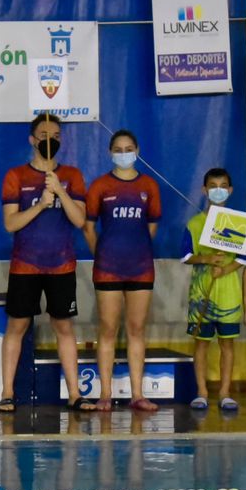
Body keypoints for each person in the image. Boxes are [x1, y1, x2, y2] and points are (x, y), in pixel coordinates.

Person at [0, 114, 86, 411]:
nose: (52, 138)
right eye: (45, 133)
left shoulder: (72, 175)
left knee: (64, 326)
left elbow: (79, 219)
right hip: (25, 265)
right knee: (18, 325)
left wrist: (60, 190)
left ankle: (74, 393)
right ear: (32, 140)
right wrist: (40, 205)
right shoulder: (16, 176)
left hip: (62, 265)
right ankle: (7, 393)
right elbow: (11, 224)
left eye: (57, 134)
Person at [83, 130, 161, 412]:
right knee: (107, 330)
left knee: (136, 329)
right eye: (118, 148)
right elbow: (89, 228)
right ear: (110, 153)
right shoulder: (100, 186)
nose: (124, 152)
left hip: (141, 267)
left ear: (137, 150)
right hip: (107, 269)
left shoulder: (149, 186)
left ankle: (138, 395)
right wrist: (102, 253)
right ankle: (104, 395)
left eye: (129, 148)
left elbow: (151, 226)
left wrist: (134, 248)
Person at [180, 168, 246, 411]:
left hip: (229, 295)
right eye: (213, 185)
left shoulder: (238, 223)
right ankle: (201, 391)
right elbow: (186, 256)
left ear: (230, 191)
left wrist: (227, 268)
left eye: (223, 185)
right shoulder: (195, 223)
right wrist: (206, 260)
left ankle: (224, 392)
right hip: (203, 294)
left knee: (227, 344)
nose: (218, 190)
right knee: (201, 343)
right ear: (205, 190)